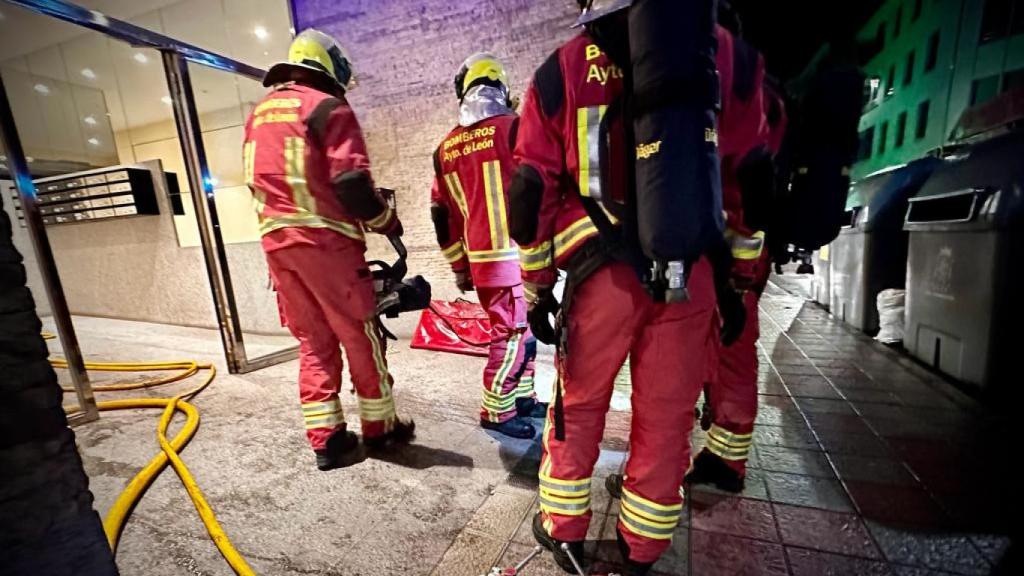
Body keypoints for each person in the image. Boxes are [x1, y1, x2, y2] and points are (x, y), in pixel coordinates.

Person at [508, 1, 719, 573]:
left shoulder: (563, 69)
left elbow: (529, 191)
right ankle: (644, 545)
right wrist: (741, 277)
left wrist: (535, 285)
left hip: (600, 276)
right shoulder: (710, 51)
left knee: (577, 405)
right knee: (668, 414)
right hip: (688, 271)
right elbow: (750, 170)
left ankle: (564, 529)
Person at [243, 29, 414, 471]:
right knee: (361, 334)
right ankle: (381, 430)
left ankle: (328, 441)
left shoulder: (259, 114)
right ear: (331, 69)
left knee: (313, 341)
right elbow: (351, 182)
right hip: (326, 242)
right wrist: (386, 222)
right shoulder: (326, 106)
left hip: (277, 245)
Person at [429, 52, 546, 439]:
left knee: (521, 333)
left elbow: (441, 215)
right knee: (512, 335)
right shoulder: (516, 128)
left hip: (482, 264)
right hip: (517, 259)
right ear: (501, 87)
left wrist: (459, 267)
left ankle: (523, 397)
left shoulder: (445, 149)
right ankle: (496, 410)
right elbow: (540, 187)